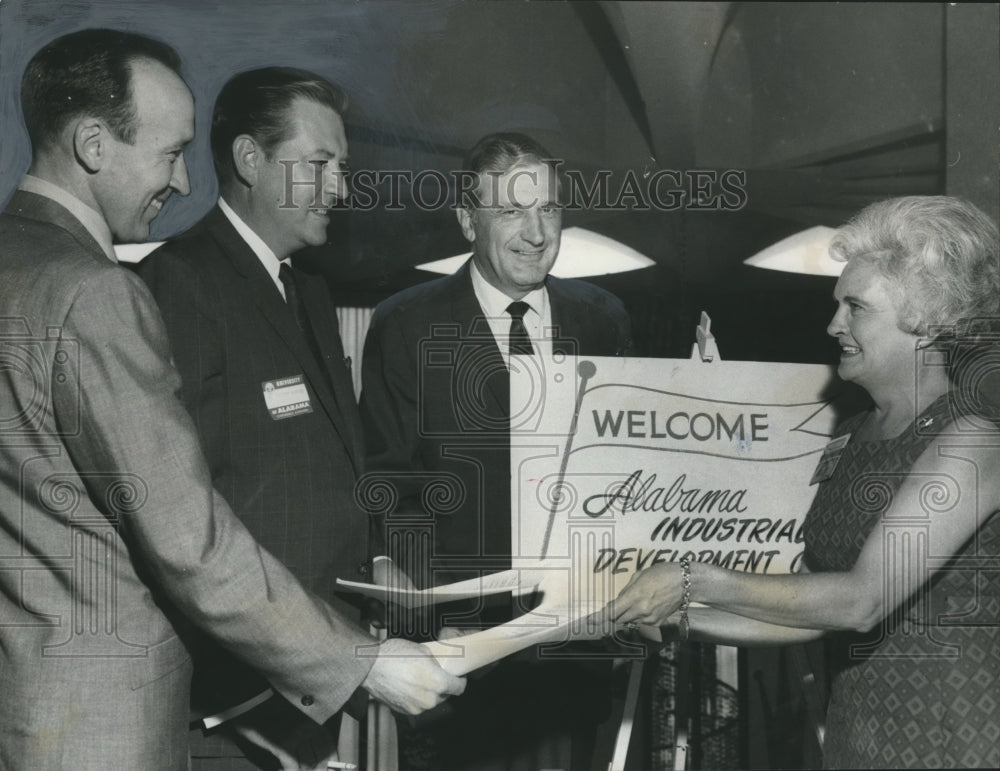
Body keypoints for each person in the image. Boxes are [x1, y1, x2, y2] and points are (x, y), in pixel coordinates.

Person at [0, 30, 463, 771]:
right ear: (92, 143)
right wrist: (360, 659)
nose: (183, 183)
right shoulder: (101, 291)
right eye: (169, 151)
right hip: (119, 721)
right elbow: (187, 535)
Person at [613, 195, 1000, 768]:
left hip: (951, 739)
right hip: (857, 737)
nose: (833, 324)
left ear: (924, 319)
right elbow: (813, 607)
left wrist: (693, 580)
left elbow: (860, 601)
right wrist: (677, 619)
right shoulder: (854, 432)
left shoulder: (973, 441)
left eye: (856, 307)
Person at [136, 66, 423, 770]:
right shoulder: (179, 282)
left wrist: (375, 559)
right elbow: (183, 520)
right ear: (248, 160)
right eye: (320, 164)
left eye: (343, 168)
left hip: (308, 688)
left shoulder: (311, 293)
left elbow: (322, 464)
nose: (340, 189)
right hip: (234, 705)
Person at [360, 132, 632, 771]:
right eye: (512, 211)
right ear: (467, 221)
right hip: (459, 655)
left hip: (574, 649)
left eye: (550, 209)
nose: (537, 232)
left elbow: (622, 471)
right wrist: (427, 624)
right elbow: (389, 484)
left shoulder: (603, 318)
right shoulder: (405, 324)